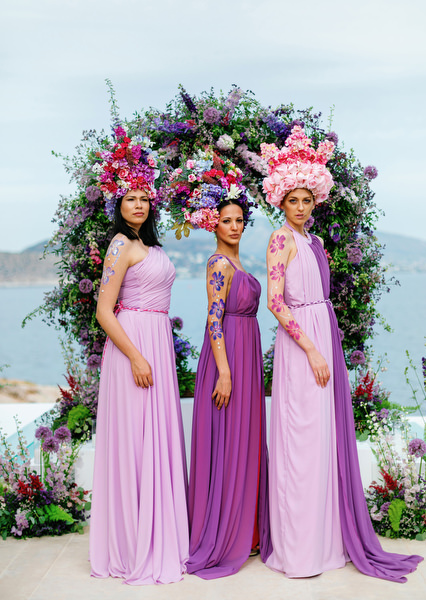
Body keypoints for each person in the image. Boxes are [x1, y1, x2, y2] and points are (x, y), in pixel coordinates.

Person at [260, 126, 422, 582]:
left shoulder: (315, 242)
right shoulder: (279, 239)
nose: (300, 206)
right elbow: (275, 302)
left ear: (314, 202)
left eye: (306, 199)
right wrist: (311, 349)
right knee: (300, 441)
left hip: (321, 335)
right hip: (300, 347)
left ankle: (325, 541)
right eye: (292, 199)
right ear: (280, 202)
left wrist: (324, 342)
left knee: (322, 443)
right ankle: (298, 551)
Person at [89, 127, 189, 585]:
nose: (139, 204)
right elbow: (103, 312)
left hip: (157, 345)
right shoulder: (119, 245)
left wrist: (154, 353)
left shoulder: (152, 247)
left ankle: (163, 533)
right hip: (132, 348)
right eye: (130, 197)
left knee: (159, 440)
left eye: (145, 197)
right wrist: (135, 356)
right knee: (133, 444)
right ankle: (132, 544)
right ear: (118, 205)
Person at [165, 151, 271, 579]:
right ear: (214, 224)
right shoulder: (217, 264)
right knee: (227, 440)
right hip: (228, 358)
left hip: (246, 353)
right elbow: (212, 320)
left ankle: (247, 532)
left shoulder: (241, 262)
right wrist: (225, 371)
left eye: (239, 220)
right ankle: (225, 533)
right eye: (227, 220)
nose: (234, 226)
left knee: (246, 438)